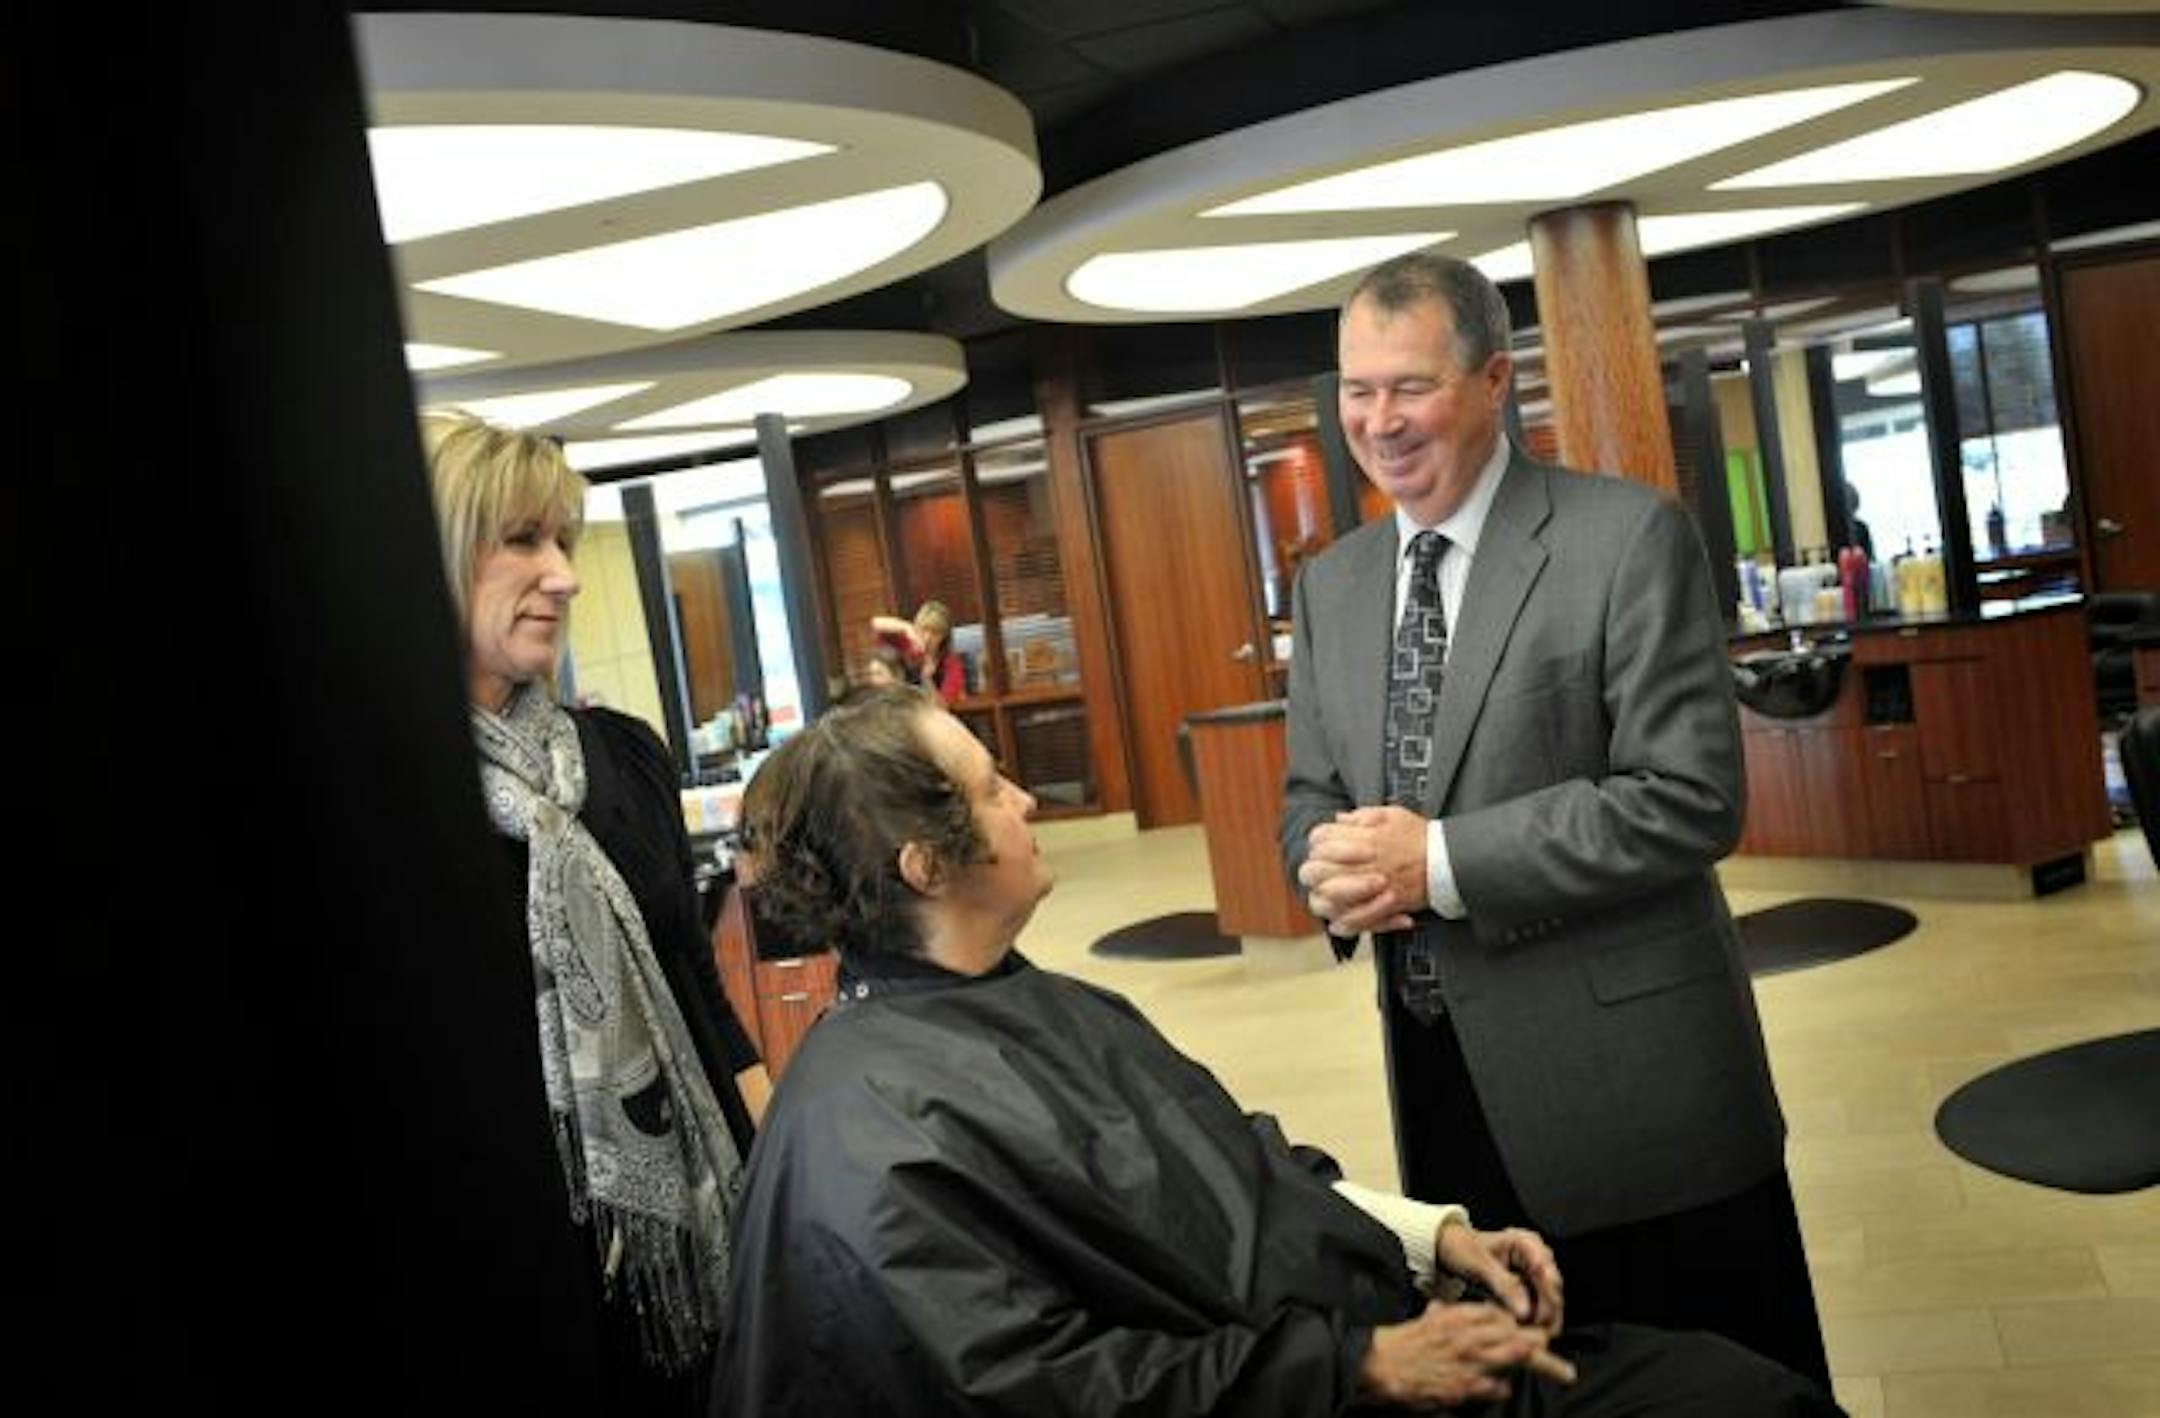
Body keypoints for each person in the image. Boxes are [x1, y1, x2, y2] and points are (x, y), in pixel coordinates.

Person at [712, 687, 1843, 1418]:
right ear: (924, 865)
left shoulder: (1028, 1000)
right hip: (1305, 1384)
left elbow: (1230, 1166)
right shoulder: (866, 1136)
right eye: (987, 787)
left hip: (1340, 1338)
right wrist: (1356, 1367)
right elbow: (1033, 1386)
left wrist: (1430, 1234)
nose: (1024, 798)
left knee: (1741, 1390)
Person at [1280, 253, 1830, 1388]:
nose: (1378, 423)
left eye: (1409, 386)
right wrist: (1324, 865)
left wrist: (1432, 860)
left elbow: (1688, 797)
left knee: (1724, 1383)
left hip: (1638, 1097)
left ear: (1495, 382)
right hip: (1444, 1092)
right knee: (1537, 1386)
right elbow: (1310, 794)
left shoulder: (1626, 538)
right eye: (1355, 391)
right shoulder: (1331, 587)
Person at [422, 409, 771, 1415]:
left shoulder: (623, 755)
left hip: (708, 1228)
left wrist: (776, 1156)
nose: (564, 574)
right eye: (524, 539)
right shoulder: (385, 802)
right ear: (439, 551)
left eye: (566, 540)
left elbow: (699, 987)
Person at [871, 599, 967, 703]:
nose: (927, 638)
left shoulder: (951, 663)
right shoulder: (905, 644)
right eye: (923, 629)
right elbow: (874, 623)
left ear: (944, 636)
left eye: (935, 633)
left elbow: (942, 706)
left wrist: (926, 678)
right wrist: (906, 627)